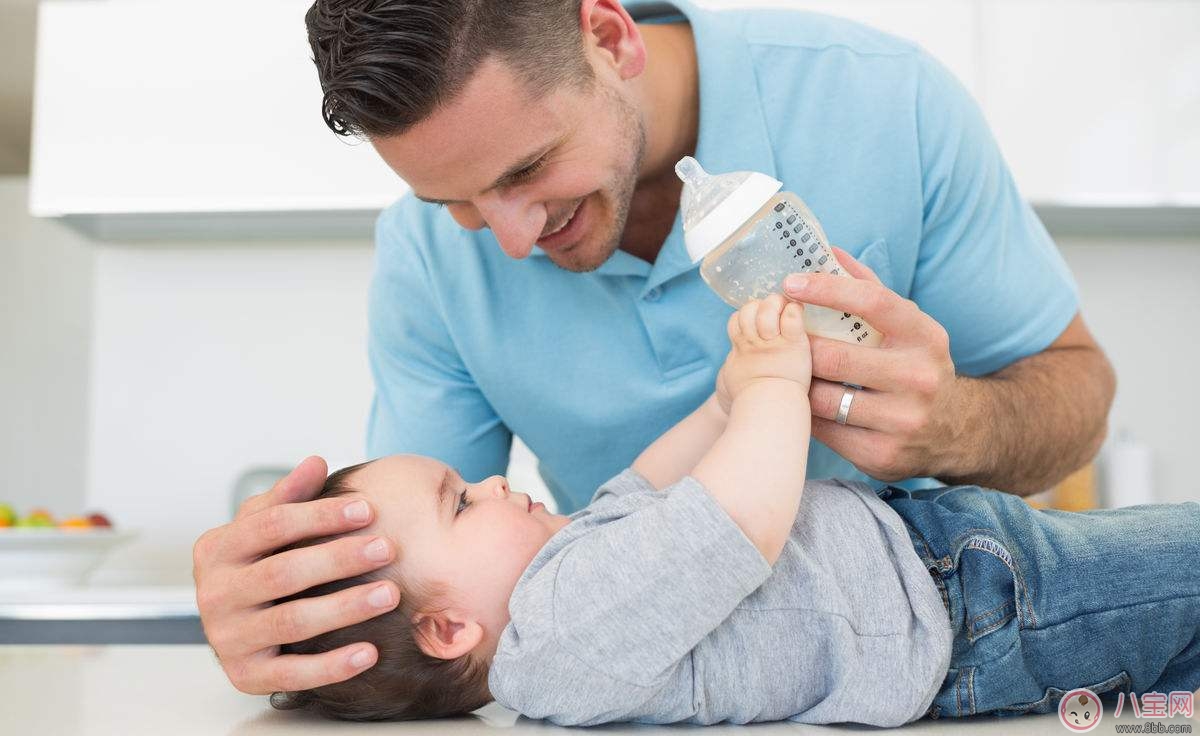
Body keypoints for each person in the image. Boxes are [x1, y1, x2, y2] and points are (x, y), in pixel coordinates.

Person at [192, 0, 1118, 695]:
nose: (511, 240)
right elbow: (431, 579)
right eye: (460, 203)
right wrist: (294, 630)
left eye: (525, 171)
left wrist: (958, 424)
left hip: (982, 613)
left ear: (608, 35)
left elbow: (1078, 396)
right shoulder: (426, 261)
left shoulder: (883, 100)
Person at [264, 295, 1198, 725]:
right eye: (463, 504)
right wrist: (770, 390)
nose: (496, 482)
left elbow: (652, 487)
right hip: (976, 613)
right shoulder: (558, 637)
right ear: (447, 628)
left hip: (956, 571)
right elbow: (734, 526)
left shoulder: (573, 579)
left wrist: (720, 405)